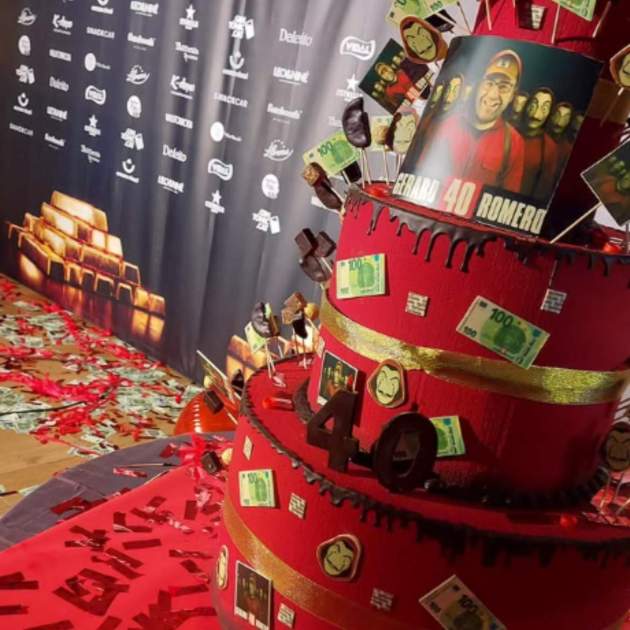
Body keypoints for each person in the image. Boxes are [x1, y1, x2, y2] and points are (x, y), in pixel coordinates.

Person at [413, 49, 525, 193]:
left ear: (512, 95)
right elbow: (421, 177)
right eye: (489, 83)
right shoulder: (445, 125)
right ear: (478, 85)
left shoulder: (515, 143)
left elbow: (509, 196)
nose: (493, 95)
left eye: (504, 87)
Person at [519, 88, 559, 201]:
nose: (536, 115)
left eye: (544, 108)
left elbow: (543, 190)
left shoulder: (550, 147)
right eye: (533, 105)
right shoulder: (508, 133)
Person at [547, 101, 574, 177]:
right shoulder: (539, 138)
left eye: (565, 118)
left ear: (569, 121)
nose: (559, 122)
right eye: (557, 115)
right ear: (551, 116)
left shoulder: (567, 149)